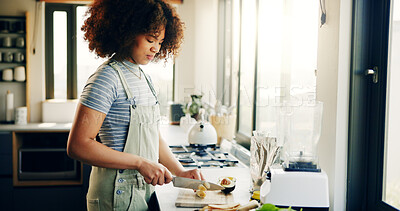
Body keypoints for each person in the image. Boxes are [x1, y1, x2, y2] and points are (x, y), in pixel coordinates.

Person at [67, 0, 203, 210]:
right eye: (150, 39)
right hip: (113, 198)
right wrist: (140, 163)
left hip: (140, 194)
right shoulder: (106, 79)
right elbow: (78, 145)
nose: (156, 48)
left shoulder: (143, 78)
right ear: (127, 32)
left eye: (160, 42)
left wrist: (180, 172)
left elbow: (152, 136)